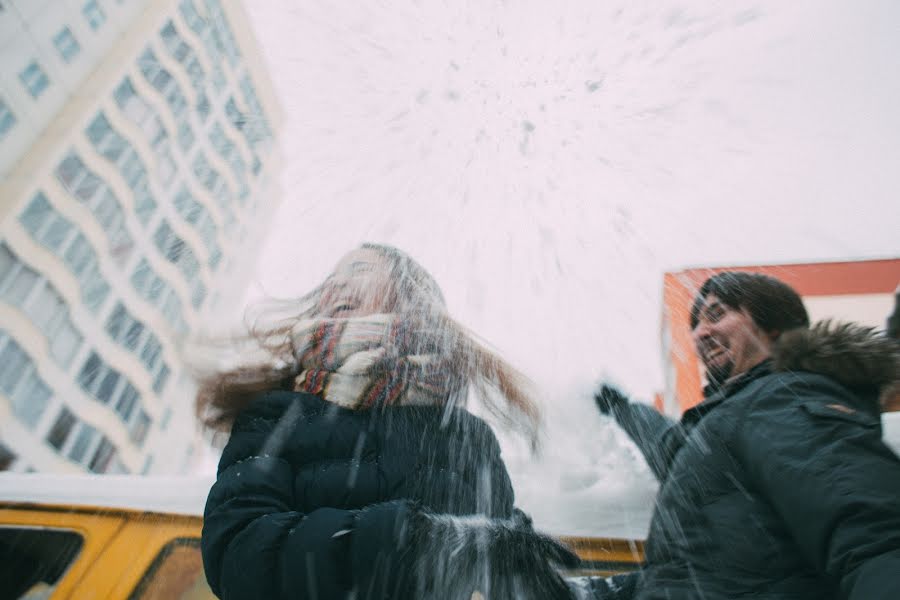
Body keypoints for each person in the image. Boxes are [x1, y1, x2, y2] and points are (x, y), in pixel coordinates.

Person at [198, 243, 578, 600]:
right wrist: (413, 545)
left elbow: (507, 566)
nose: (336, 284)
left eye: (359, 270)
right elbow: (239, 553)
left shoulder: (467, 436)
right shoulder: (279, 414)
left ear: (407, 297)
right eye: (331, 279)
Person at [593, 271, 900, 600]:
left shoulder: (785, 398)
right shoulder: (722, 423)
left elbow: (873, 538)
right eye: (695, 324)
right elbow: (666, 445)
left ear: (773, 327)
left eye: (716, 315)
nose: (700, 334)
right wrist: (622, 407)